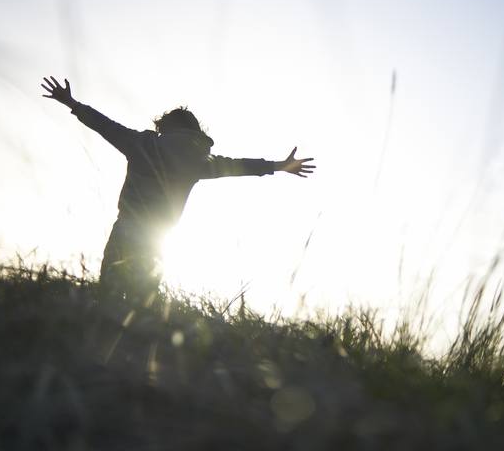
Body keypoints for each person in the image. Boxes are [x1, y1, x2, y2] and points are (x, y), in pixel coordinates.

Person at [41, 76, 315, 300]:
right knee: (143, 302)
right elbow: (240, 166)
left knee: (107, 296)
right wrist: (279, 165)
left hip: (127, 227)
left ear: (166, 127)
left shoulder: (143, 144)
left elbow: (105, 125)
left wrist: (72, 103)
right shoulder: (199, 162)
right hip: (158, 236)